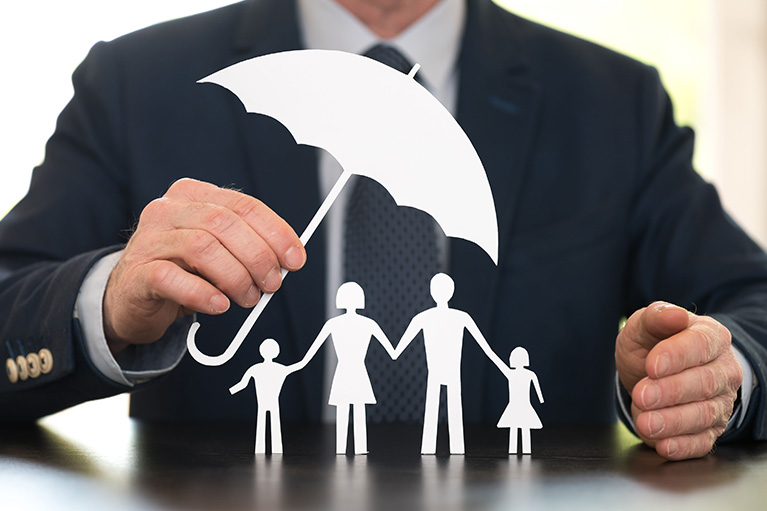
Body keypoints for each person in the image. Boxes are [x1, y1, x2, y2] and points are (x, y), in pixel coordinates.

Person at [0, 0, 764, 462]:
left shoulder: (610, 101)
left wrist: (713, 374)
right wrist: (110, 301)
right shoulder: (139, 84)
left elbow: (751, 304)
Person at [395, 273, 509, 455]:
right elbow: (486, 348)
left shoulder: (424, 318)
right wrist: (505, 369)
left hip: (440, 373)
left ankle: (433, 449)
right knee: (452, 411)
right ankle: (452, 448)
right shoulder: (460, 317)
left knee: (433, 412)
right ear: (452, 291)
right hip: (451, 373)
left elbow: (396, 351)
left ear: (432, 292)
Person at [295, 282, 397, 454]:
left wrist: (297, 365)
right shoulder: (368, 323)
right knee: (358, 411)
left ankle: (343, 448)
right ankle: (359, 448)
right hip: (356, 372)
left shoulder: (333, 324)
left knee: (343, 412)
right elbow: (392, 351)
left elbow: (310, 353)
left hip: (344, 372)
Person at [228, 335, 302, 454]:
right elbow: (299, 365)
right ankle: (274, 450)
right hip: (272, 403)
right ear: (276, 352)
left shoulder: (255, 368)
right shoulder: (280, 369)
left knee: (262, 428)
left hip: (263, 403)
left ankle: (265, 450)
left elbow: (242, 384)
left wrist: (232, 390)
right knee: (274, 427)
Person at [496, 347, 544, 455]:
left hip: (521, 405)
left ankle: (520, 450)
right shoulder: (526, 374)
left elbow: (537, 388)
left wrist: (541, 398)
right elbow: (538, 390)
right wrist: (540, 399)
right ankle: (517, 450)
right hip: (518, 405)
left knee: (517, 428)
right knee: (521, 428)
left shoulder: (516, 374)